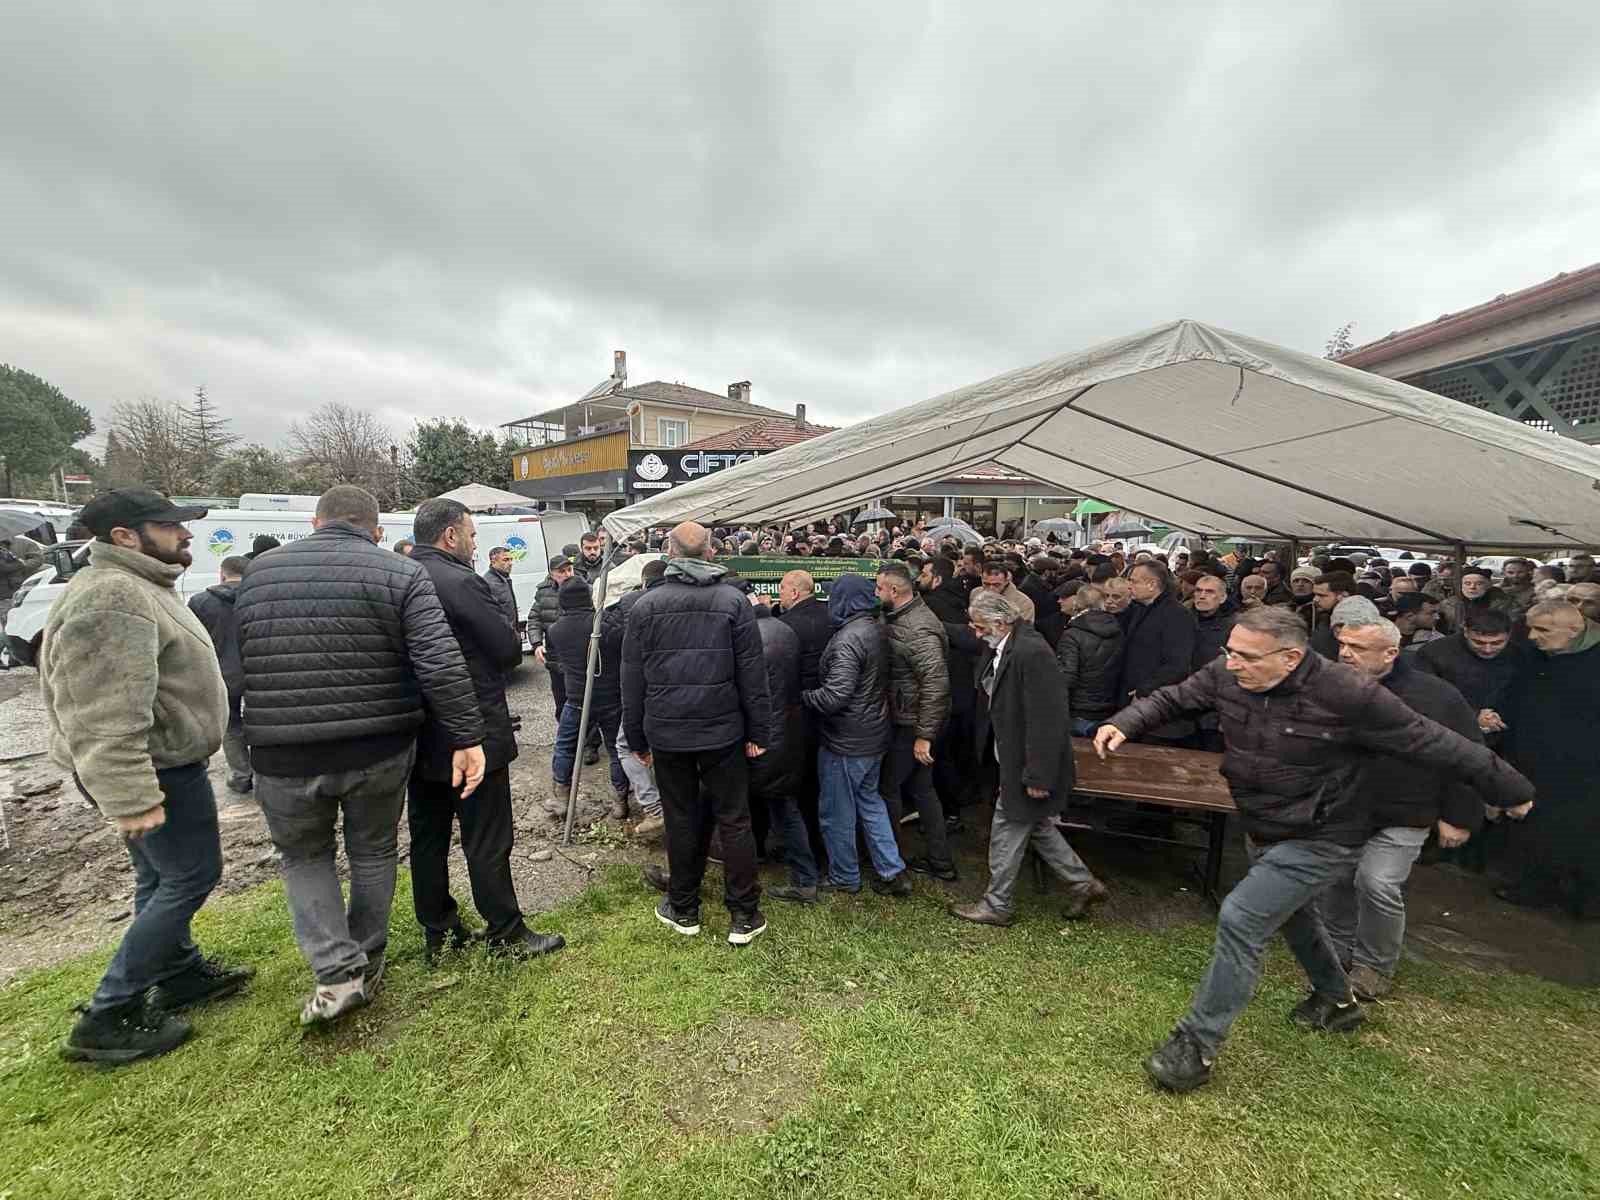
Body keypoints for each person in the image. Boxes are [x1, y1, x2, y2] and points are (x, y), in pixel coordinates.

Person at [1093, 605, 1536, 1094]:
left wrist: (1510, 788)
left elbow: (1434, 741)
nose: (1232, 664)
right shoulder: (1228, 673)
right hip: (1264, 824)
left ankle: (1194, 1046)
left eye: (1245, 657)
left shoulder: (1348, 692)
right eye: (1230, 653)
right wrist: (1126, 722)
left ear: (1290, 657)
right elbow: (1173, 698)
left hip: (1327, 833)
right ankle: (1338, 1001)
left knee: (1242, 916)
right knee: (1292, 914)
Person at [237, 486, 487, 1025]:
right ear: (375, 530)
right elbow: (439, 665)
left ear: (315, 521)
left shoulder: (259, 572)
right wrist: (468, 737)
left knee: (305, 858)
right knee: (373, 852)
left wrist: (238, 745)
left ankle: (336, 973)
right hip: (377, 745)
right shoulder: (398, 573)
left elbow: (239, 663)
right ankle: (367, 961)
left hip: (282, 751)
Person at [42, 488, 249, 1063]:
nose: (185, 535)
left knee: (159, 879)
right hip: (153, 770)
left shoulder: (138, 586)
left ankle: (179, 972)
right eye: (169, 526)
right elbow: (104, 711)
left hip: (166, 763)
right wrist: (132, 795)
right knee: (191, 876)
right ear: (124, 537)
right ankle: (109, 1013)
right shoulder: (112, 598)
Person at [406, 499, 564, 962]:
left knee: (428, 837)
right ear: (450, 536)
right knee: (488, 836)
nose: (476, 545)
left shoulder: (398, 575)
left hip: (418, 731)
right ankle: (506, 931)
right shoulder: (459, 580)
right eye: (472, 535)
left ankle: (439, 929)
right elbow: (503, 647)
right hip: (472, 727)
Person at [622, 521, 771, 945]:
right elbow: (753, 676)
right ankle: (743, 914)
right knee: (734, 819)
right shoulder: (734, 601)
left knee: (681, 817)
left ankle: (684, 908)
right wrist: (758, 729)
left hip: (670, 733)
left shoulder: (646, 606)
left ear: (670, 552)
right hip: (722, 731)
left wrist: (636, 738)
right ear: (710, 552)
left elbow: (630, 681)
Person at [1323, 617, 1487, 1000]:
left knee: (1376, 882)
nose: (1345, 654)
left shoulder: (1436, 697)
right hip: (1340, 809)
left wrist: (1459, 815)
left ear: (1391, 653)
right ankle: (1333, 951)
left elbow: (1468, 756)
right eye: (1343, 645)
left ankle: (1374, 966)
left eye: (1358, 648)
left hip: (1405, 811)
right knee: (1334, 880)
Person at [951, 590, 1106, 926]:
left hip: (1025, 763)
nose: (977, 635)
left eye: (980, 628)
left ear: (1000, 622)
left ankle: (997, 904)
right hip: (1014, 757)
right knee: (1035, 825)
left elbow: (1047, 719)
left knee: (1006, 829)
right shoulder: (1012, 644)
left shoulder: (1031, 652)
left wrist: (1038, 775)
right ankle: (1082, 883)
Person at [802, 573, 911, 897]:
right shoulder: (876, 626)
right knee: (870, 803)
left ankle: (844, 876)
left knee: (837, 812)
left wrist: (804, 697)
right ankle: (892, 871)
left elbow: (836, 695)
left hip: (847, 741)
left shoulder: (849, 637)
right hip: (874, 734)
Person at [1495, 601, 1600, 917]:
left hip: (1586, 768)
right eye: (1530, 627)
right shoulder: (1536, 655)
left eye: (1542, 630)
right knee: (1536, 826)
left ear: (1574, 629)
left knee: (1585, 832)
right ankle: (1537, 886)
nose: (1531, 636)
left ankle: (1588, 899)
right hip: (1533, 759)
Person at [875, 563, 956, 881]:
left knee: (889, 788)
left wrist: (923, 735)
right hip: (912, 717)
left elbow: (936, 683)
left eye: (879, 588)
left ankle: (891, 859)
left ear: (894, 591)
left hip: (913, 723)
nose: (875, 593)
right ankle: (940, 861)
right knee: (922, 789)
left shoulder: (918, 628)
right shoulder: (901, 617)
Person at [547, 576, 631, 813]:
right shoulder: (603, 625)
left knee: (565, 747)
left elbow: (556, 663)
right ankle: (620, 801)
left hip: (576, 698)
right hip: (610, 698)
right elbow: (622, 645)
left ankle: (562, 799)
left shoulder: (555, 630)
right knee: (615, 749)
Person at [610, 559, 668, 840]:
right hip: (684, 692)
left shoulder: (631, 602)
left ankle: (654, 808)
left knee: (626, 746)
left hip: (648, 691)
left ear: (644, 581)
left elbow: (630, 666)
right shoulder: (688, 599)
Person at [187, 554, 252, 795]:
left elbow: (192, 644)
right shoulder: (257, 597)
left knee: (231, 725)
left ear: (222, 574)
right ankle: (266, 773)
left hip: (222, 675)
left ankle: (241, 775)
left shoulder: (199, 602)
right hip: (259, 672)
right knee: (263, 722)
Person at [1118, 561, 1196, 745]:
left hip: (1159, 715)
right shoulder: (1140, 610)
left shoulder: (1177, 615)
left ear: (1152, 584)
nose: (1129, 585)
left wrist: (1144, 690)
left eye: (1134, 581)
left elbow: (1177, 665)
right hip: (1137, 707)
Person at [1415, 607, 1517, 739]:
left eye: (1497, 643)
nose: (1488, 649)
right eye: (1478, 642)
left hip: (1504, 732)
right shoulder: (1434, 653)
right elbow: (1425, 697)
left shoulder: (1516, 654)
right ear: (1466, 632)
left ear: (1509, 636)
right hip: (1450, 734)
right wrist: (1473, 716)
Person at [1055, 584, 1123, 736]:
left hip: (1079, 709)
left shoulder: (1072, 634)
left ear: (1077, 603)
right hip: (1110, 706)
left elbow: (1067, 676)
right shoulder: (1117, 629)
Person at [1188, 574, 1237, 752]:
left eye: (1209, 592)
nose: (1202, 596)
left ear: (1223, 597)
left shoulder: (1235, 626)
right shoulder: (1183, 618)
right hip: (1185, 702)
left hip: (1216, 708)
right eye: (1199, 591)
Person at [1439, 566, 1514, 634]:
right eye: (1467, 583)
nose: (1472, 587)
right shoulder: (1447, 605)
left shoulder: (1504, 605)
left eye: (1479, 584)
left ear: (1488, 585)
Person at [1308, 572, 1357, 659]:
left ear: (1343, 596)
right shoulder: (1324, 616)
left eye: (1321, 595)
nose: (1315, 599)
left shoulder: (1354, 624)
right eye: (1315, 594)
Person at [481, 544, 520, 632]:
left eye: (511, 559)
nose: (510, 563)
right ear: (493, 561)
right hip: (501, 636)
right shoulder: (488, 583)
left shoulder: (505, 578)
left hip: (512, 634)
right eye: (505, 560)